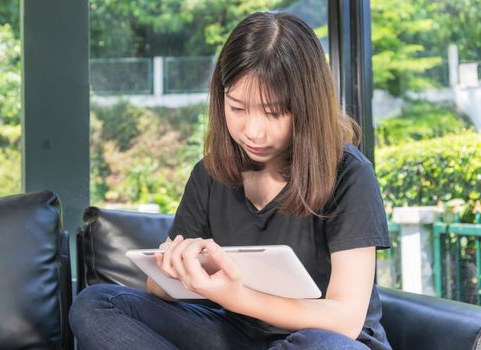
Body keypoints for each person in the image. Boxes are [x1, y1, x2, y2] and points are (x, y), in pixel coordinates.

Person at [69, 11, 392, 350]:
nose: (253, 131)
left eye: (273, 112)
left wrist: (238, 297)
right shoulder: (209, 174)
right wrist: (176, 269)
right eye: (238, 108)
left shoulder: (349, 174)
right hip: (236, 335)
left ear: (307, 106)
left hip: (325, 340)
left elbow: (345, 318)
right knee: (96, 304)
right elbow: (160, 290)